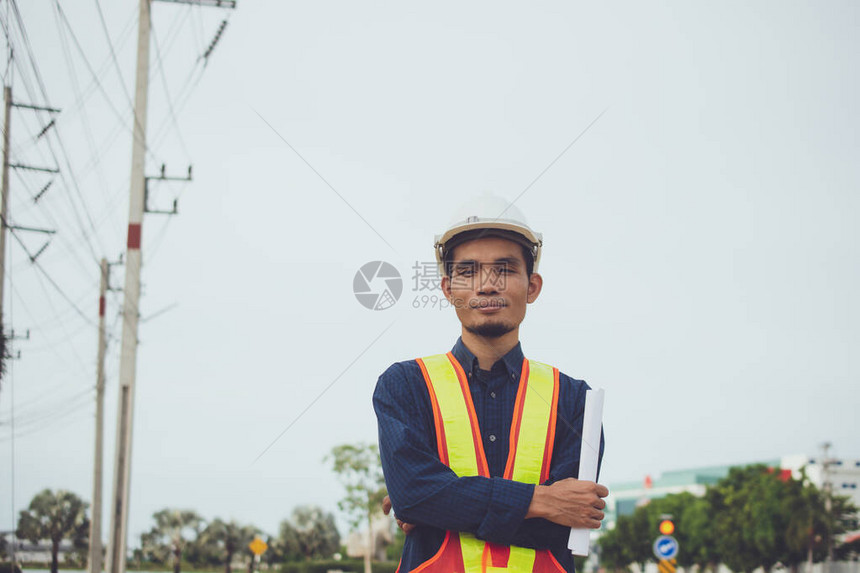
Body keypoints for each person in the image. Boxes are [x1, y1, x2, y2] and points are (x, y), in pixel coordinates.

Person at [373, 195, 608, 573]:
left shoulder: (576, 401)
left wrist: (444, 507)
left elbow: (562, 529)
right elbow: (415, 496)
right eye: (468, 271)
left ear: (532, 286)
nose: (486, 285)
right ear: (448, 288)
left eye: (504, 269)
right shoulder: (405, 385)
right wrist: (543, 501)